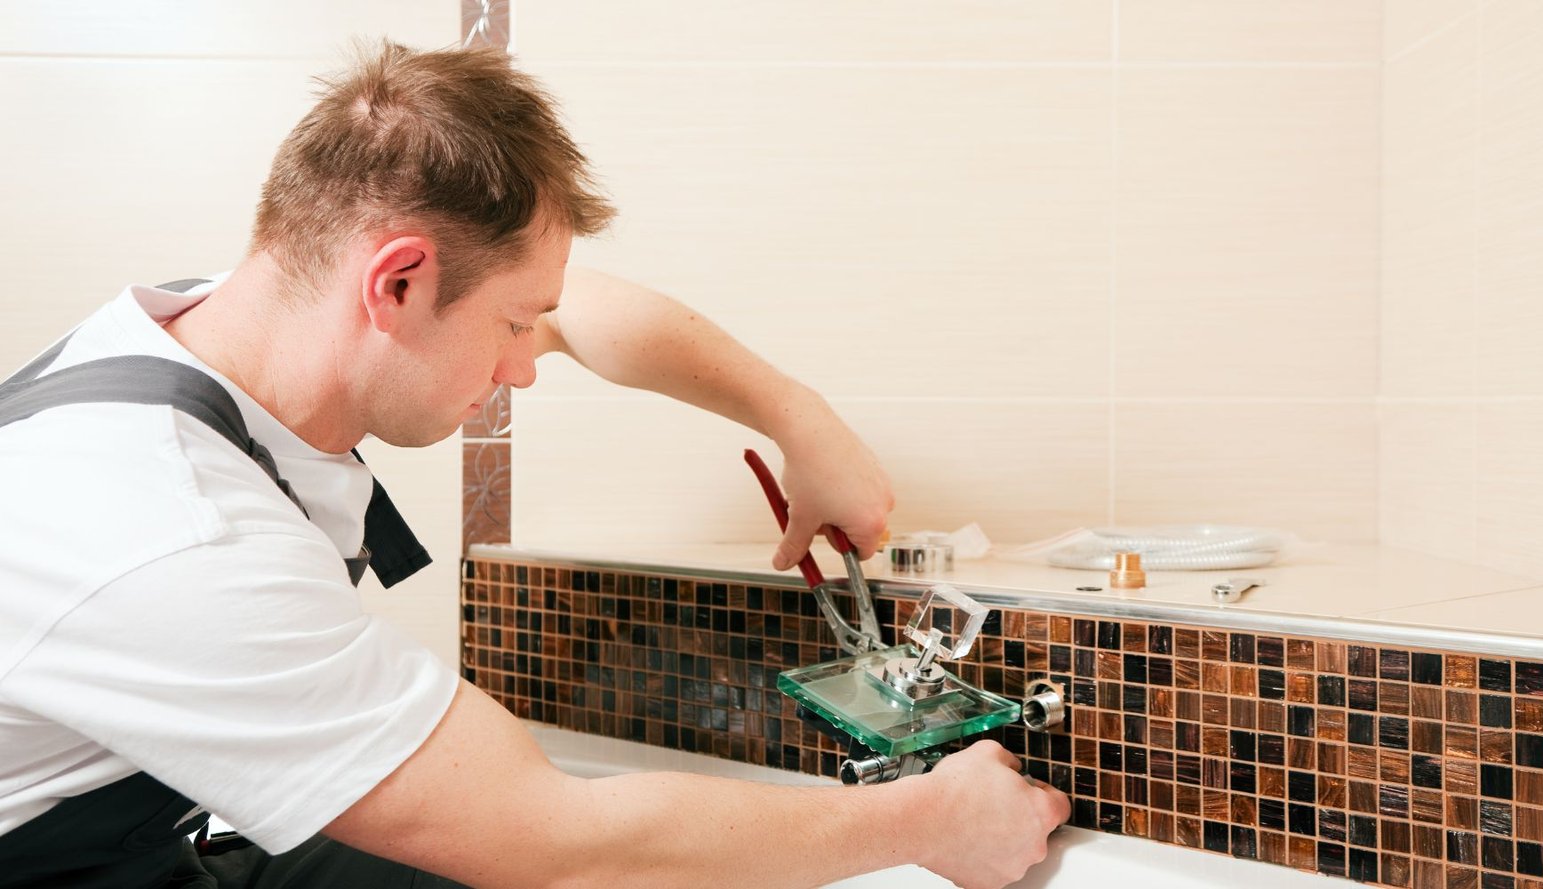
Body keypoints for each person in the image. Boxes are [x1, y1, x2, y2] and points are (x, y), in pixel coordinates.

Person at [0, 41, 1068, 889]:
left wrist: (802, 420)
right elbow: (560, 844)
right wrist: (926, 820)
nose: (526, 364)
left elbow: (589, 314)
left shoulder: (231, 326)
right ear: (397, 282)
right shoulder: (168, 526)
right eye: (514, 325)